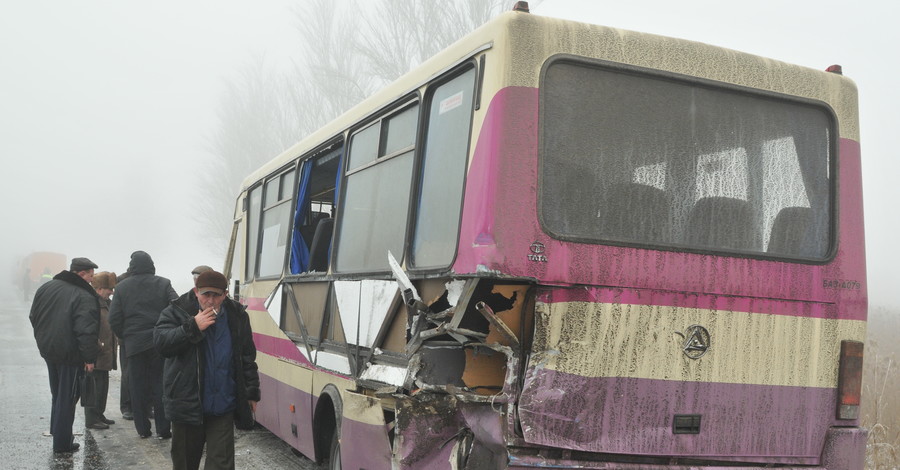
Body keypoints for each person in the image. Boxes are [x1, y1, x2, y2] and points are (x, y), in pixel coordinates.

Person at [155, 270, 260, 470]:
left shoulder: (236, 316)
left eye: (216, 295)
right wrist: (193, 326)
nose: (210, 300)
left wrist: (251, 391)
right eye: (206, 294)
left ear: (225, 294)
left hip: (223, 404)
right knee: (185, 463)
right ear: (196, 291)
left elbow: (246, 356)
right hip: (188, 403)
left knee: (222, 464)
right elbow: (161, 344)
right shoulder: (177, 310)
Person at [29, 257, 101, 453]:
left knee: (58, 394)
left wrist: (43, 339)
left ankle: (58, 431)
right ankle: (62, 443)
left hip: (49, 350)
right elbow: (86, 330)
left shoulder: (47, 287)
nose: (92, 281)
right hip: (70, 355)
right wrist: (89, 358)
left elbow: (33, 316)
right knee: (67, 399)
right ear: (81, 274)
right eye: (91, 276)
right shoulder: (82, 295)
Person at [109, 251, 177, 439]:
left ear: (132, 267)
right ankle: (163, 429)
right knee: (160, 385)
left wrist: (126, 335)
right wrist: (168, 330)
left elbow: (113, 318)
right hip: (158, 342)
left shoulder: (122, 287)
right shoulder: (163, 283)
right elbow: (176, 306)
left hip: (134, 344)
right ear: (151, 265)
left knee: (137, 387)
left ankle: (142, 429)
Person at [85, 271, 118, 430]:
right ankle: (91, 418)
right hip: (96, 354)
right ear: (99, 289)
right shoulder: (93, 303)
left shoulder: (106, 303)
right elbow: (88, 329)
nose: (111, 291)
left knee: (102, 385)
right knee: (93, 387)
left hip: (105, 354)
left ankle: (99, 413)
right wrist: (96, 347)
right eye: (109, 289)